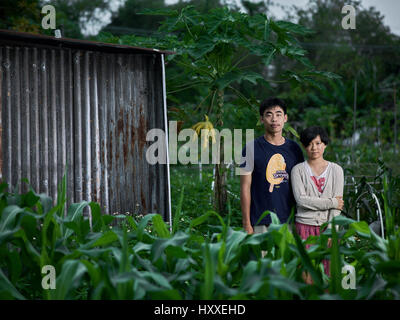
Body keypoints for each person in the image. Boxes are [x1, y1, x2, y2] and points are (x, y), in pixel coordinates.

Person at [240, 97, 304, 235]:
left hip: (289, 220)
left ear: (285, 118)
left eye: (278, 114)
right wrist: (246, 223)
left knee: (288, 256)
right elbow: (245, 187)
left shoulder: (295, 149)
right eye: (269, 114)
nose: (274, 119)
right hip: (260, 221)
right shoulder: (249, 148)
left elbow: (302, 184)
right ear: (262, 119)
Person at [291, 126, 344, 279]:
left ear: (325, 144)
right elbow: (301, 200)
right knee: (307, 274)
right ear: (304, 146)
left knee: (329, 274)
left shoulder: (336, 170)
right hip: (304, 227)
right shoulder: (297, 170)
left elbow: (337, 208)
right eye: (309, 144)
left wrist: (331, 231)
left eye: (318, 143)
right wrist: (332, 202)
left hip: (329, 228)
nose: (314, 148)